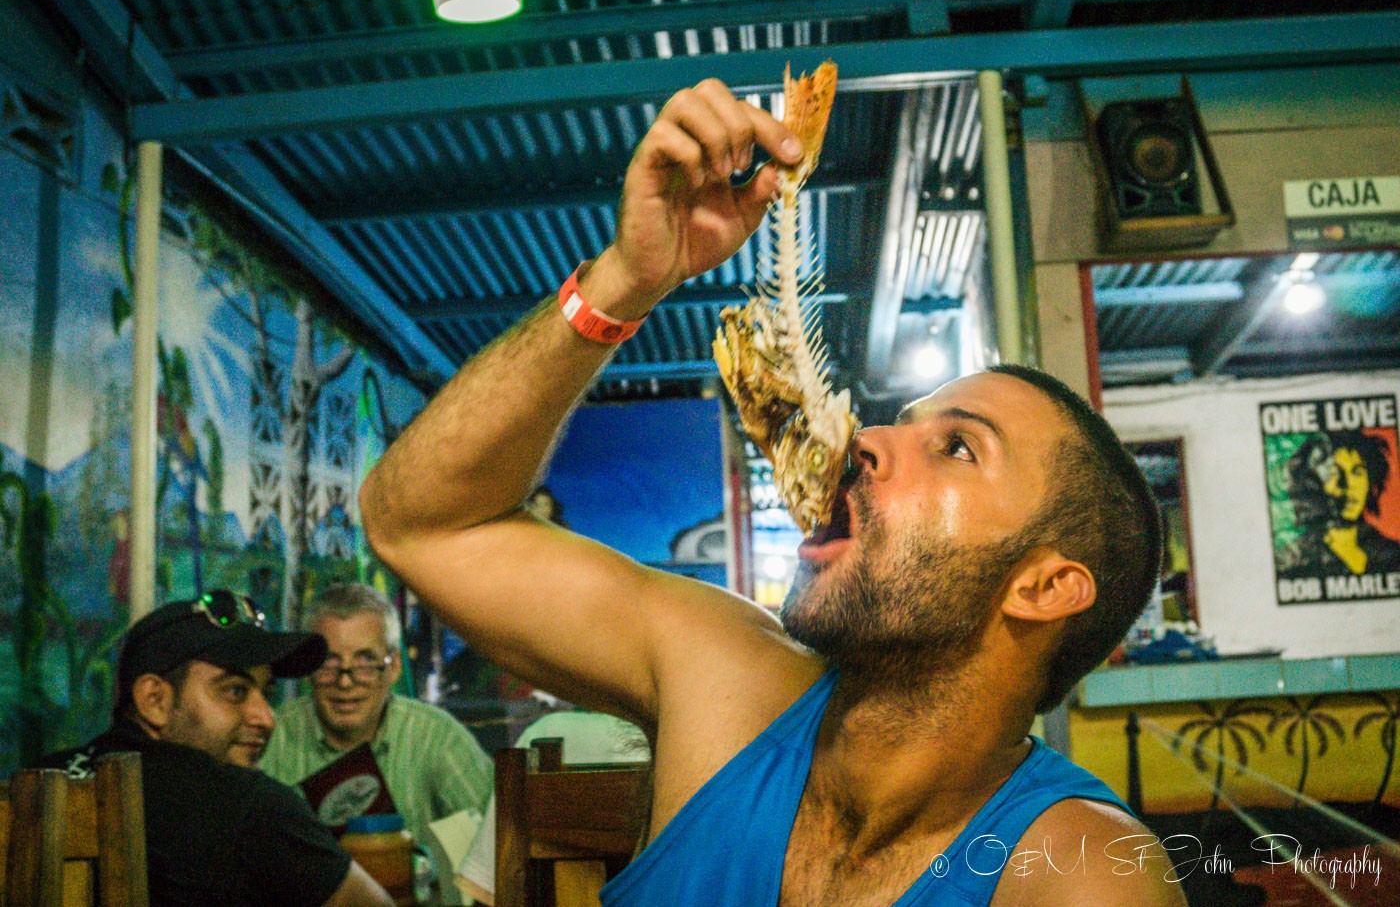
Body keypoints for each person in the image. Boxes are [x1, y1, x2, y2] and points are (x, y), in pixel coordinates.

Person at [359, 79, 1187, 905]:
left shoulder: (1079, 870)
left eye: (958, 447)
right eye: (904, 421)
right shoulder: (728, 681)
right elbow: (416, 524)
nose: (867, 437)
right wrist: (624, 281)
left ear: (1044, 586)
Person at [42, 591, 394, 907]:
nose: (266, 718)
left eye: (266, 692)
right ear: (154, 700)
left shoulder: (37, 785)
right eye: (235, 691)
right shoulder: (250, 806)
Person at [260, 582, 494, 905]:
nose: (345, 681)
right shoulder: (271, 738)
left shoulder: (436, 739)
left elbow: (502, 845)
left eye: (366, 661)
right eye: (328, 662)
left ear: (394, 667)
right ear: (308, 668)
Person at [1284, 431, 1400, 576]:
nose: (1349, 485)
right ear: (1311, 482)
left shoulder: (1391, 553)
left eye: (1357, 473)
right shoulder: (1292, 558)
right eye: (1334, 473)